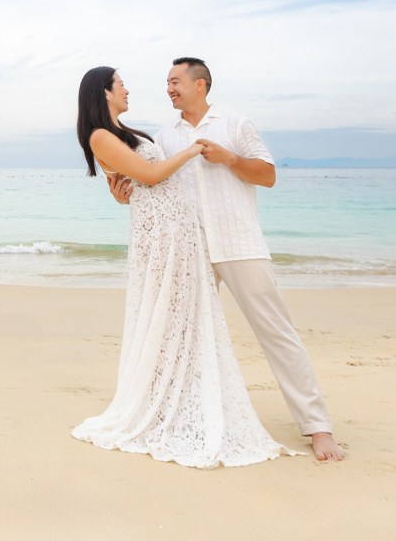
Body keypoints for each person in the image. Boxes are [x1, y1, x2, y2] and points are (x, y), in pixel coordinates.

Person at [110, 57, 345, 461]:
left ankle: (317, 427)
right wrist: (122, 194)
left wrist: (230, 159)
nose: (169, 88)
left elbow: (268, 175)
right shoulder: (165, 136)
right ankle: (179, 417)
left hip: (239, 245)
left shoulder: (235, 124)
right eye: (166, 83)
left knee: (276, 332)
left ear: (200, 84)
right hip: (188, 251)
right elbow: (154, 182)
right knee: (177, 339)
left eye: (176, 81)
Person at [71, 66, 293, 469]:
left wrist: (126, 194)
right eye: (120, 84)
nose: (127, 88)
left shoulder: (124, 132)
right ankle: (163, 406)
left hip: (176, 231)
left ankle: (185, 398)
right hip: (163, 236)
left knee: (182, 320)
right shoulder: (101, 135)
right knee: (168, 318)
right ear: (103, 93)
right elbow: (152, 175)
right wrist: (192, 150)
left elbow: (135, 183)